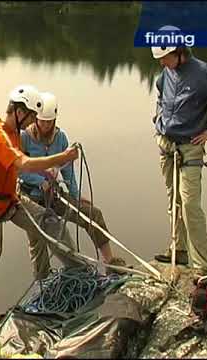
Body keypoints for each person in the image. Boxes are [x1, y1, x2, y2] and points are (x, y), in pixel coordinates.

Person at [0, 84, 82, 342]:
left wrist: (52, 176)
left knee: (48, 221)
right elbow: (23, 163)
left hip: (10, 202)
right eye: (30, 116)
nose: (32, 122)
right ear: (19, 111)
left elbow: (19, 169)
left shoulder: (14, 133)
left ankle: (78, 271)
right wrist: (61, 157)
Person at [151, 45, 207, 281]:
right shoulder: (165, 74)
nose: (162, 63)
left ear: (179, 52)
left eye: (165, 58)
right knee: (174, 200)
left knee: (190, 204)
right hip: (167, 146)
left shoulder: (205, 74)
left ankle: (203, 266)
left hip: (190, 148)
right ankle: (178, 250)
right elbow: (160, 96)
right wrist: (158, 120)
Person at [18, 92, 126, 271]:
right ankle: (42, 282)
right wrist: (38, 181)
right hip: (31, 198)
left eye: (49, 121)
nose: (45, 125)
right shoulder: (25, 138)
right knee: (38, 242)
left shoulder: (60, 138)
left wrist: (75, 196)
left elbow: (67, 171)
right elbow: (18, 170)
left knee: (93, 215)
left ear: (54, 119)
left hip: (53, 195)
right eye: (42, 121)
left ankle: (110, 263)